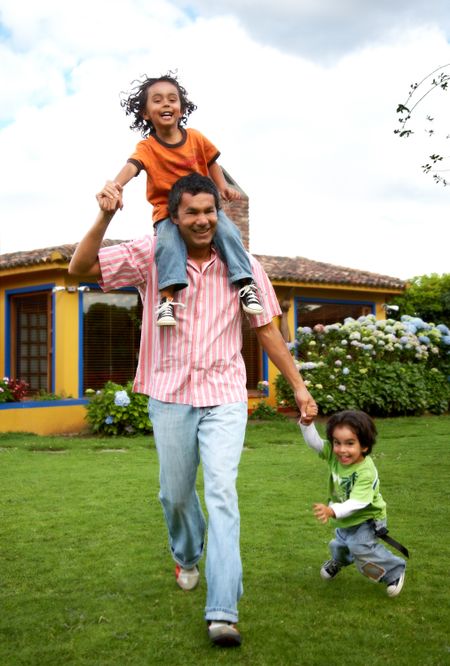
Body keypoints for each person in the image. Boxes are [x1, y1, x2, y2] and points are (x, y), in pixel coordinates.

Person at [69, 173, 317, 647]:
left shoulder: (243, 265)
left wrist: (299, 387)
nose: (203, 220)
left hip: (225, 395)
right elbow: (80, 269)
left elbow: (267, 330)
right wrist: (105, 213)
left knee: (223, 494)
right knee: (176, 495)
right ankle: (186, 554)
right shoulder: (151, 255)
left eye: (210, 212)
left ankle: (223, 611)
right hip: (170, 394)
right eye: (192, 213)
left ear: (218, 215)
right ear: (175, 218)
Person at [98, 72, 263, 327]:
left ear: (181, 108)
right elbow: (132, 166)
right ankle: (166, 301)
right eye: (157, 100)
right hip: (167, 212)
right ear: (145, 112)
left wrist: (222, 188)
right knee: (168, 246)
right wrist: (116, 186)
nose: (166, 104)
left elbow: (212, 162)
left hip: (201, 209)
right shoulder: (148, 147)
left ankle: (245, 284)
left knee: (229, 233)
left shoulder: (196, 137)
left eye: (172, 99)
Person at [298, 410, 406, 597]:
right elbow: (315, 443)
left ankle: (395, 571)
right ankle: (340, 561)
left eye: (350, 443)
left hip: (366, 518)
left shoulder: (365, 471)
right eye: (337, 442)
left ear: (364, 445)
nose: (341, 449)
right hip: (344, 519)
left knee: (359, 546)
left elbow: (358, 502)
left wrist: (332, 510)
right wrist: (306, 424)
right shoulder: (334, 455)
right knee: (339, 545)